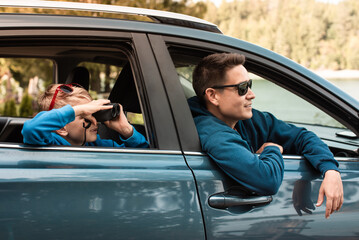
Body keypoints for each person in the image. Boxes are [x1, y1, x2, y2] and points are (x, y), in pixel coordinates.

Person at [188, 52, 343, 219]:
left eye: (250, 84)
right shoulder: (213, 133)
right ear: (213, 95)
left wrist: (330, 170)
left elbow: (301, 136)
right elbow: (267, 180)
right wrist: (271, 149)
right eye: (242, 88)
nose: (251, 94)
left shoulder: (245, 119)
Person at [22, 83, 149, 148]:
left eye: (94, 114)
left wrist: (126, 130)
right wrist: (80, 109)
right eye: (85, 115)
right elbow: (31, 128)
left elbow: (144, 156)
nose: (95, 122)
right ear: (62, 128)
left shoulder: (96, 144)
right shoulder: (50, 143)